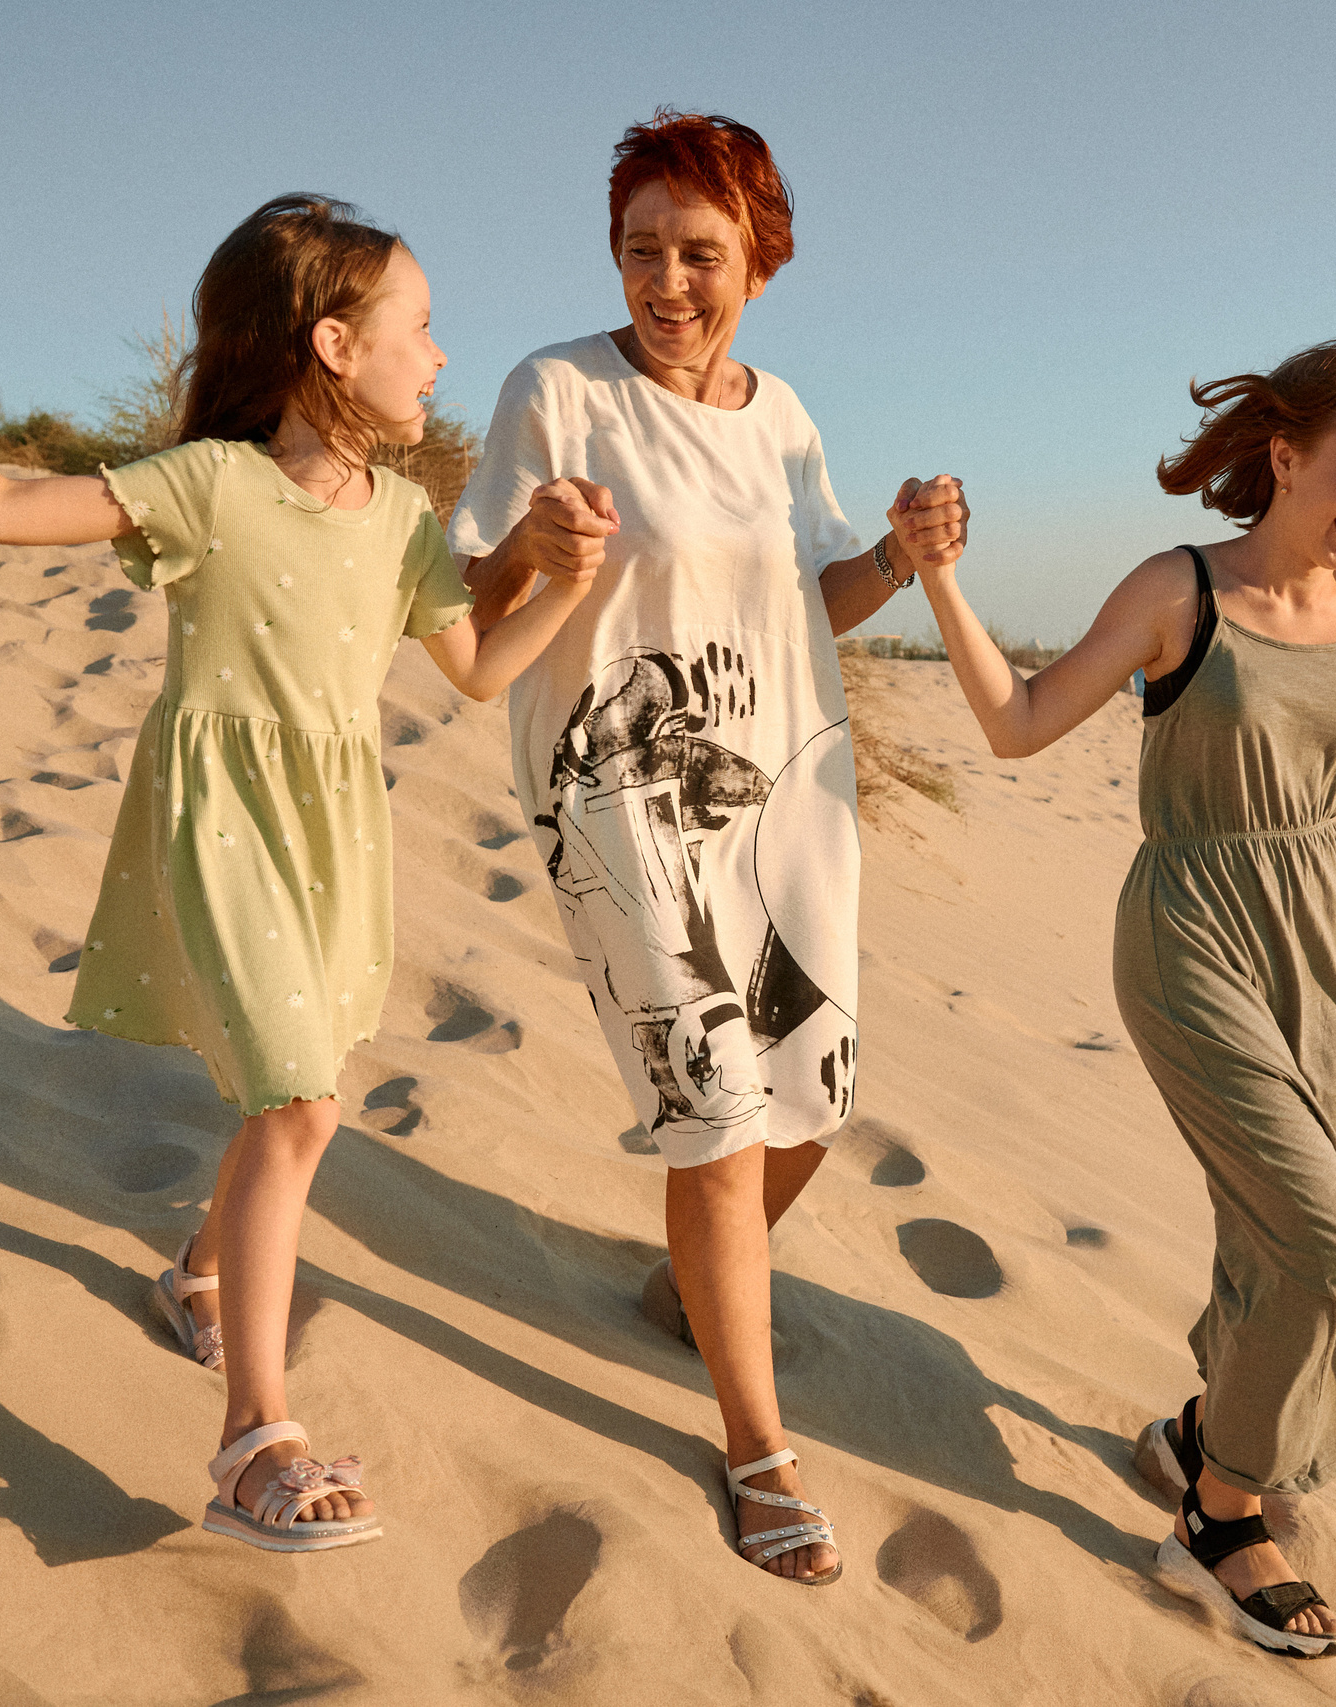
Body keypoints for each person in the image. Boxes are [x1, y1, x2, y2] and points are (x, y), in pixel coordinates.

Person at [0, 196, 606, 1553]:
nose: (441, 356)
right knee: (292, 1101)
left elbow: (480, 672)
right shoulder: (210, 487)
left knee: (310, 1104)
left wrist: (566, 578)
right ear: (335, 343)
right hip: (222, 826)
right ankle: (251, 1438)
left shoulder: (402, 516)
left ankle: (201, 1272)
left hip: (340, 839)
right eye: (423, 328)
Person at [448, 111, 965, 1587]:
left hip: (788, 793)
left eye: (700, 253)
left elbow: (821, 602)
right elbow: (472, 603)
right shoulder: (555, 391)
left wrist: (907, 556)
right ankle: (757, 1446)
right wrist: (537, 551)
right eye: (640, 250)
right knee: (724, 1121)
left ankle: (697, 1287)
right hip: (621, 806)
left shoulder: (783, 414)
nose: (666, 283)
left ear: (761, 260)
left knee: (814, 1102)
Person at [916, 339, 1336, 1655]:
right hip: (1188, 935)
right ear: (1284, 455)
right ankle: (1222, 1520)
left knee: (1269, 1229)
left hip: (1316, 938)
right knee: (1321, 1247)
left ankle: (1187, 1440)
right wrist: (941, 579)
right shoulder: (1182, 589)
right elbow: (1018, 723)